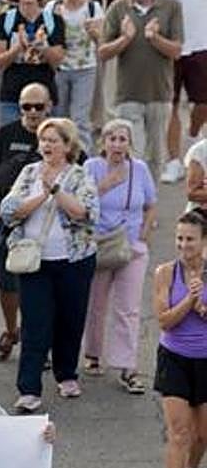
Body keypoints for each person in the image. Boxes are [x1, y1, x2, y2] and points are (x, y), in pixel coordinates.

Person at [0, 118, 99, 414]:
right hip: (35, 262)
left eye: (54, 141)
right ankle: (29, 389)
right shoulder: (29, 173)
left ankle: (66, 374)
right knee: (35, 323)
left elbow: (87, 213)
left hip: (74, 261)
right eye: (43, 141)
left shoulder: (80, 175)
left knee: (70, 319)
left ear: (68, 146)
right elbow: (9, 211)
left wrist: (57, 191)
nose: (47, 146)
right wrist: (41, 194)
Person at [0, 83, 53, 364]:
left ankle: (38, 341)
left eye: (38, 107)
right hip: (10, 224)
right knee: (7, 282)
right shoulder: (6, 134)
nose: (32, 113)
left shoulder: (57, 136)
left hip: (46, 226)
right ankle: (11, 330)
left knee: (40, 286)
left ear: (50, 106)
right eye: (26, 107)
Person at [82, 118, 157, 393]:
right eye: (112, 138)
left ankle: (128, 367)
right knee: (96, 303)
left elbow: (150, 205)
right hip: (100, 244)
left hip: (131, 247)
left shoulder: (140, 169)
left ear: (129, 143)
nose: (117, 144)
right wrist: (108, 183)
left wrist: (143, 236)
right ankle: (92, 353)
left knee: (128, 308)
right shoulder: (91, 167)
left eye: (122, 139)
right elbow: (82, 202)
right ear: (103, 142)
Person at [99, 0, 184, 183]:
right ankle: (132, 206)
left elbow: (176, 50)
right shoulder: (117, 8)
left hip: (159, 94)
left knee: (156, 156)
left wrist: (154, 38)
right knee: (132, 155)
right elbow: (103, 52)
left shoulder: (171, 6)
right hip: (127, 94)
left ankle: (150, 207)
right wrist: (125, 39)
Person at [153, 210, 207, 468]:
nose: (183, 245)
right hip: (173, 358)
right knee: (179, 433)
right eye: (180, 238)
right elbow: (163, 320)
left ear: (204, 242)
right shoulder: (165, 273)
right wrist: (190, 299)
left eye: (190, 239)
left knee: (202, 436)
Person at [156, 0, 207, 185]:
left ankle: (193, 133)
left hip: (203, 45)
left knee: (203, 103)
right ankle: (174, 160)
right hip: (169, 47)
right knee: (170, 105)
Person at [0, 0, 66, 127]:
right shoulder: (5, 20)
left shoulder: (54, 20)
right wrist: (18, 47)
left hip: (45, 94)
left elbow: (58, 61)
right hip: (12, 94)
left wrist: (43, 47)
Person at [51, 0, 103, 153]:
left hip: (85, 68)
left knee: (80, 119)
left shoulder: (92, 8)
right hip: (59, 68)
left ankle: (83, 160)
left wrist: (94, 32)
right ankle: (59, 157)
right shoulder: (52, 7)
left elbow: (101, 40)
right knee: (59, 117)